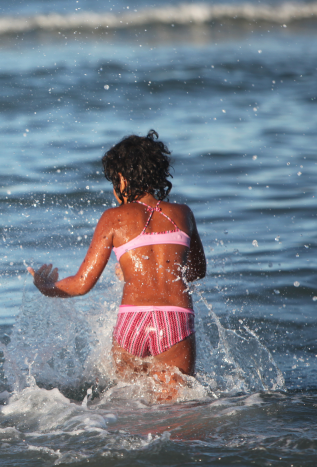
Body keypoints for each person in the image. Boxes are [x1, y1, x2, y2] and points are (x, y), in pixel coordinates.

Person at [29, 131, 206, 394]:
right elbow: (197, 271)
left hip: (131, 322)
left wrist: (47, 287)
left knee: (128, 410)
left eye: (114, 180)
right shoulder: (183, 214)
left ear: (124, 179)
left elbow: (81, 285)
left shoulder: (113, 218)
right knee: (178, 413)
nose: (114, 189)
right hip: (174, 320)